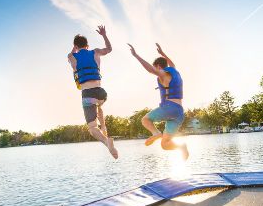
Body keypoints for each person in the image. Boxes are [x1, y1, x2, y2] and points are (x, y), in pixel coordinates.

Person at [128, 43, 189, 159]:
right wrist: (162, 53)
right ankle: (182, 147)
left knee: (145, 120)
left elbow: (150, 70)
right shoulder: (175, 71)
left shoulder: (164, 74)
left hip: (170, 108)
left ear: (159, 67)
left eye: (156, 68)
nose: (156, 71)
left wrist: (136, 55)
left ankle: (156, 133)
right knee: (165, 145)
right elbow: (172, 63)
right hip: (179, 113)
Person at [68, 25, 118, 159]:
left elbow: (71, 53)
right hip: (102, 93)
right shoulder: (95, 52)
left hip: (87, 94)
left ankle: (107, 143)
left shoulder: (72, 57)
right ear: (87, 45)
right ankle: (104, 128)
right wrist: (104, 35)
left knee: (91, 128)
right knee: (99, 105)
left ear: (75, 46)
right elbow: (109, 49)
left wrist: (75, 47)